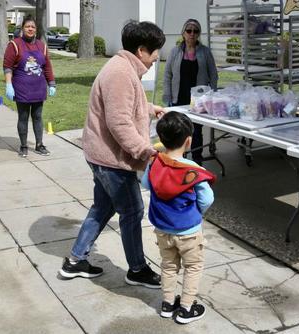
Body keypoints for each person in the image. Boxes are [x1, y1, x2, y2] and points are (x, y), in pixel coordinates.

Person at [59, 21, 166, 289]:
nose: (157, 58)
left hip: (101, 156)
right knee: (132, 210)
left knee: (103, 208)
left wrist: (150, 108)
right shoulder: (121, 73)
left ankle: (76, 260)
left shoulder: (124, 68)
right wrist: (144, 151)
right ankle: (137, 269)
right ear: (142, 50)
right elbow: (119, 122)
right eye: (155, 52)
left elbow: (127, 103)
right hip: (110, 160)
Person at [141, 111, 215, 324]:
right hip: (189, 232)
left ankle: (167, 304)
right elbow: (207, 198)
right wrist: (197, 212)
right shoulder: (193, 170)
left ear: (161, 139)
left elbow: (146, 184)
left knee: (168, 266)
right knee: (193, 267)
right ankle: (186, 308)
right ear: (189, 140)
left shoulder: (155, 163)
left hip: (163, 229)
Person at [163, 19, 218, 165]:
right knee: (179, 129)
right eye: (189, 30)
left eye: (195, 31)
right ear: (183, 33)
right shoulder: (175, 51)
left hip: (198, 99)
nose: (192, 34)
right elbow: (167, 74)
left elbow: (213, 74)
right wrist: (167, 96)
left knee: (196, 129)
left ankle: (197, 160)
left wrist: (212, 95)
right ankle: (181, 159)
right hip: (179, 96)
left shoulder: (205, 52)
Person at [3, 16, 56, 157]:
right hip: (22, 89)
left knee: (38, 116)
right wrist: (9, 84)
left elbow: (47, 67)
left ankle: (39, 145)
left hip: (38, 88)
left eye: (33, 27)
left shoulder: (42, 46)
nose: (30, 29)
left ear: (36, 29)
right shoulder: (14, 44)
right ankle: (24, 146)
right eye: (27, 26)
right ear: (22, 28)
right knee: (23, 117)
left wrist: (51, 83)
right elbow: (7, 67)